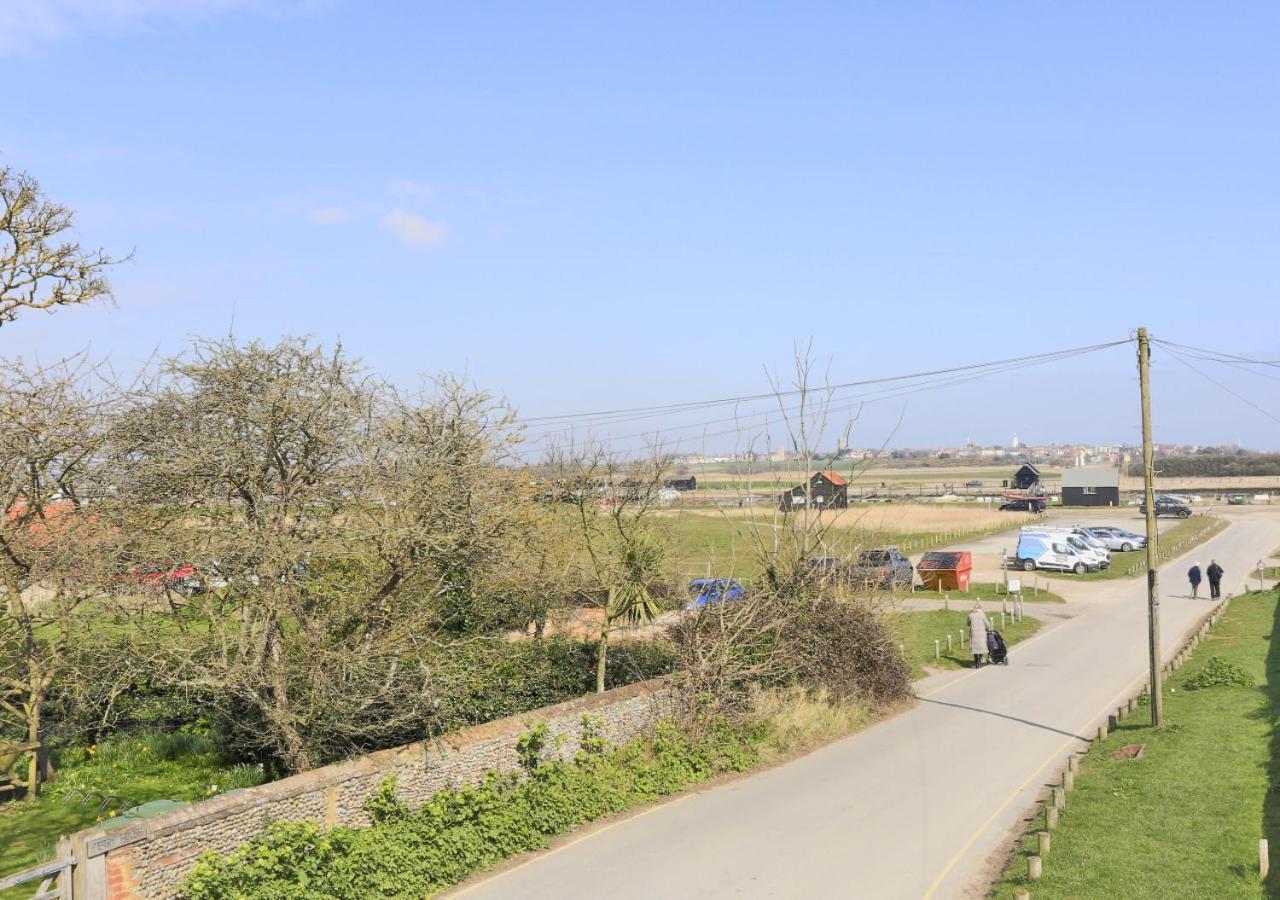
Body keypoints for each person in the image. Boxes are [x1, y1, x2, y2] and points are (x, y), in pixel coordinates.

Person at [968, 601, 990, 668]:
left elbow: (968, 623)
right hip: (982, 634)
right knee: (980, 647)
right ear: (980, 609)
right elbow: (987, 625)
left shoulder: (970, 615)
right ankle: (979, 661)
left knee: (975, 648)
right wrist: (988, 630)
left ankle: (976, 661)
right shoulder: (982, 615)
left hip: (974, 633)